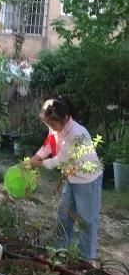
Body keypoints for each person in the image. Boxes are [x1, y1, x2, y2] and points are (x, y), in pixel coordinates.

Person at [29, 98, 103, 261]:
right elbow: (49, 144)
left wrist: (39, 164)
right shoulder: (55, 127)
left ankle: (86, 261)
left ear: (66, 118)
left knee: (87, 221)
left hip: (87, 179)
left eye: (53, 125)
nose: (51, 128)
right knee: (64, 214)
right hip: (72, 177)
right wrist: (36, 156)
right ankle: (60, 251)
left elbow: (60, 160)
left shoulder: (77, 133)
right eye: (48, 125)